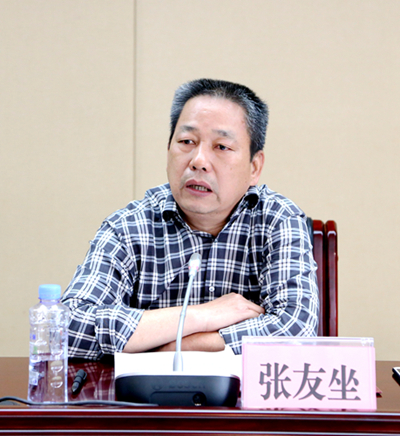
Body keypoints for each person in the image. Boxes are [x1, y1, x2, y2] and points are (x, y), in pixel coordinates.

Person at [62, 78, 319, 360]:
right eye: (187, 142)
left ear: (254, 167)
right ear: (168, 150)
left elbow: (296, 331)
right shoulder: (128, 227)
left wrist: (170, 346)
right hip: (148, 390)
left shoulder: (278, 220)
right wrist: (202, 316)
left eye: (221, 147)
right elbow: (68, 328)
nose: (198, 161)